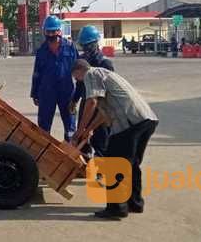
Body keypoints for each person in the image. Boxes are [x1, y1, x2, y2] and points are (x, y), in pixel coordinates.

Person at [72, 59, 159, 219]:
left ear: (79, 71)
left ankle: (116, 208)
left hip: (130, 124)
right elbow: (103, 114)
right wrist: (88, 130)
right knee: (132, 164)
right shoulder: (106, 75)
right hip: (146, 120)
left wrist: (80, 130)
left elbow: (91, 102)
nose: (78, 82)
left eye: (76, 78)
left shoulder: (91, 74)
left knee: (113, 163)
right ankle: (135, 203)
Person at [30, 15, 78, 142]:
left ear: (59, 31)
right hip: (46, 93)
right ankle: (45, 153)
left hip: (67, 92)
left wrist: (79, 94)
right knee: (44, 127)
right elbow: (36, 73)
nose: (51, 34)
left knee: (70, 125)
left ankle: (69, 152)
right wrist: (34, 93)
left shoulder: (70, 47)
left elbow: (79, 69)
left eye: (53, 31)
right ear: (44, 32)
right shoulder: (41, 51)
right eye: (48, 31)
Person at [72, 25, 114, 158]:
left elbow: (109, 90)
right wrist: (74, 100)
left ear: (96, 43)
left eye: (89, 45)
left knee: (100, 137)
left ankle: (101, 166)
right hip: (86, 102)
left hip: (101, 105)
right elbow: (79, 84)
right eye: (84, 46)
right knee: (81, 135)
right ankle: (83, 161)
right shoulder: (82, 61)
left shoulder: (105, 64)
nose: (86, 49)